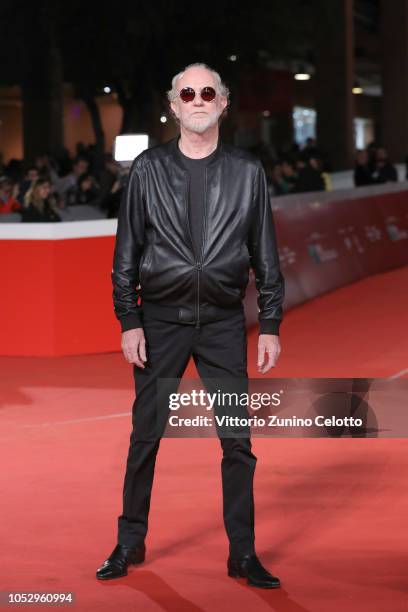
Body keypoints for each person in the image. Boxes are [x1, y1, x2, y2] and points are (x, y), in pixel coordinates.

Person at [96, 63, 285, 588]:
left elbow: (264, 250)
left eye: (208, 92)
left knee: (238, 443)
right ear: (174, 106)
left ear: (223, 103)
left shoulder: (249, 172)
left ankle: (242, 555)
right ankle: (129, 542)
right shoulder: (148, 170)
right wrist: (128, 319)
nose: (197, 99)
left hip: (224, 324)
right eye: (187, 93)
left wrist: (269, 320)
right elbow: (126, 253)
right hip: (160, 323)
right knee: (145, 438)